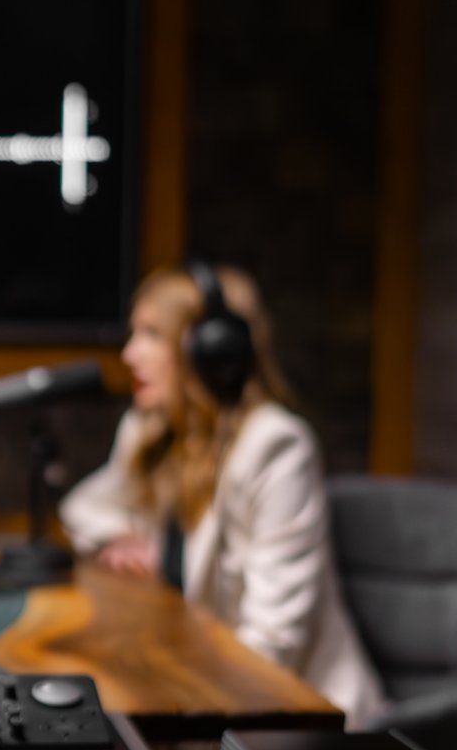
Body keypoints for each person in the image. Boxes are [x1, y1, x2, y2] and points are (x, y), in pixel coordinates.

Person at [58, 263, 385, 725]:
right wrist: (113, 535)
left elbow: (270, 645)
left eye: (151, 334)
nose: (130, 354)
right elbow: (82, 507)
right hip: (200, 700)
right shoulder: (150, 432)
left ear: (213, 349)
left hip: (293, 719)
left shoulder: (275, 446)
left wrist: (178, 726)